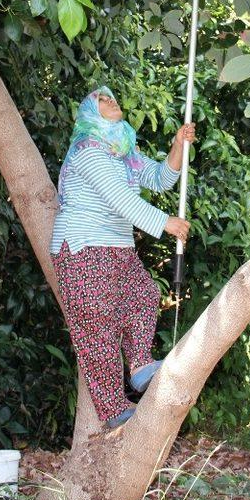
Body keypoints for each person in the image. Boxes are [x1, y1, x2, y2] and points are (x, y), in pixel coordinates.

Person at [50, 86, 195, 429]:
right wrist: (166, 223)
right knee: (97, 329)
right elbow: (120, 199)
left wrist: (177, 146)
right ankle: (113, 410)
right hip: (83, 246)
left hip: (117, 248)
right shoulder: (87, 151)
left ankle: (142, 366)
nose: (111, 101)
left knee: (144, 295)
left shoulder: (122, 152)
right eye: (102, 100)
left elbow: (160, 179)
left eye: (112, 97)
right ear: (89, 112)